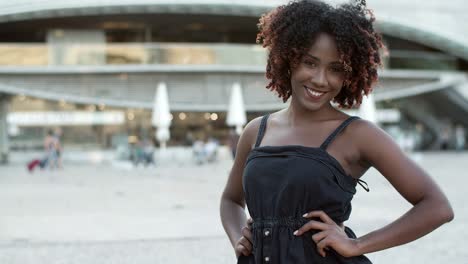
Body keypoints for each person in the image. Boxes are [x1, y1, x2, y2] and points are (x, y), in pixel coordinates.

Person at [219, 1, 454, 263]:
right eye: (310, 63)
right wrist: (238, 237)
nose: (320, 79)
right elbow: (230, 200)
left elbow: (436, 207)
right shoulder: (256, 131)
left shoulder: (357, 134)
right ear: (288, 60)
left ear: (349, 75)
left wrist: (357, 244)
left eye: (336, 69)